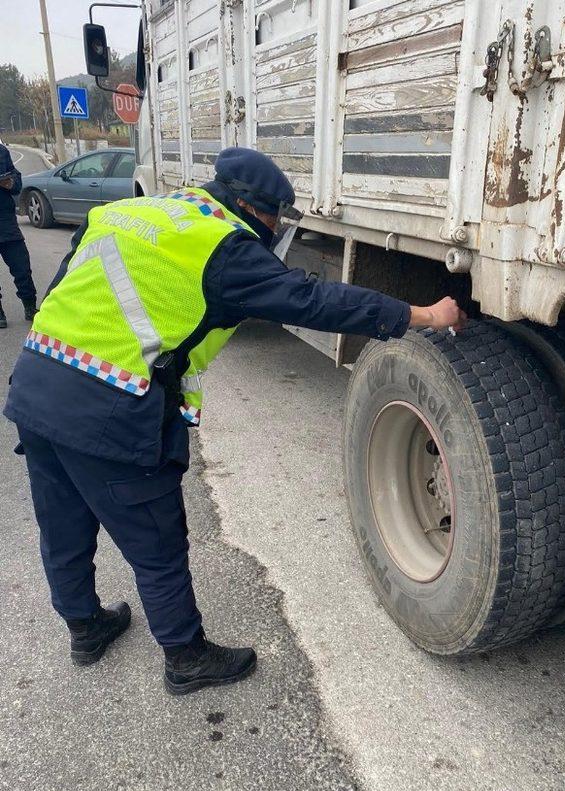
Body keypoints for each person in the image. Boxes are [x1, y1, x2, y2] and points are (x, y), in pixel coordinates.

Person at [3, 147, 465, 696]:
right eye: (275, 218)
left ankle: (85, 629)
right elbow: (314, 300)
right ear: (250, 207)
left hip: (35, 385)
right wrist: (425, 314)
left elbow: (62, 289)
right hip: (107, 410)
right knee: (156, 544)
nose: (276, 230)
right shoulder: (225, 247)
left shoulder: (130, 212)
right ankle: (185, 658)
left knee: (62, 523)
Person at [0, 141, 38, 328]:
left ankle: (30, 306)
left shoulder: (1, 152)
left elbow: (17, 181)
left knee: (22, 267)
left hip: (6, 223)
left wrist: (10, 183)